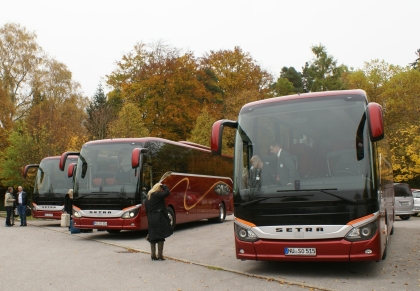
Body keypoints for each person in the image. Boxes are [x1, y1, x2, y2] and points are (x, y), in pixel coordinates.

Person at [144, 182, 173, 261]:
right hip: (159, 217)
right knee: (160, 235)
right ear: (158, 189)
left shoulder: (148, 196)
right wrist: (163, 185)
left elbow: (146, 209)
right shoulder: (156, 195)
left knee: (152, 235)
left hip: (151, 217)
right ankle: (160, 255)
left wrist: (149, 218)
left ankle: (153, 255)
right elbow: (167, 192)